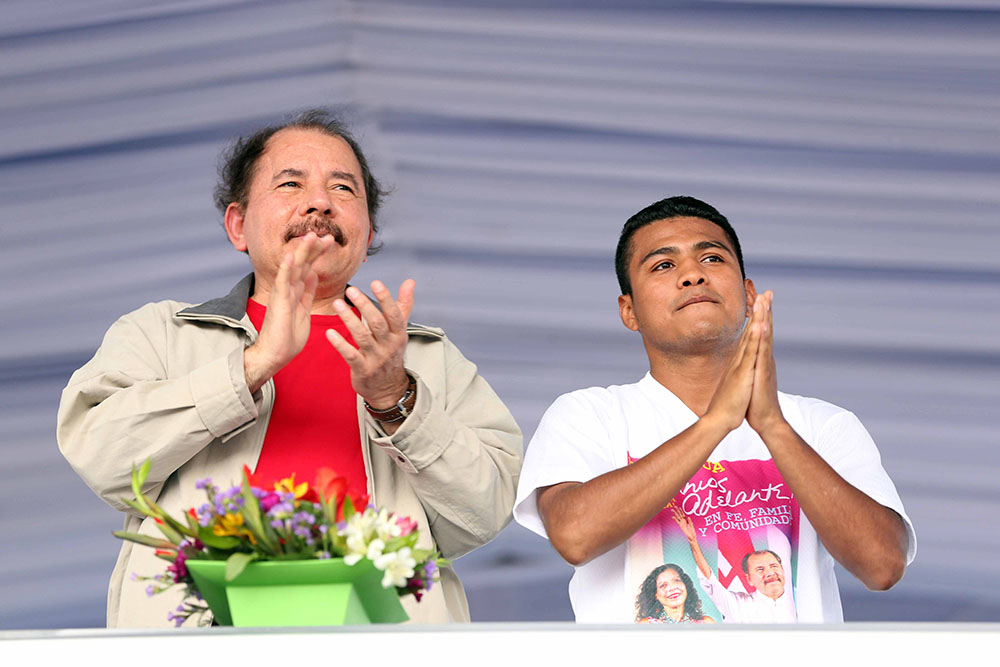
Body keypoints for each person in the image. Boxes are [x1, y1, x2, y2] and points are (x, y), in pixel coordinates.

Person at [57, 109, 523, 627]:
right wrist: (254, 365)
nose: (320, 202)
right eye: (291, 183)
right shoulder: (162, 334)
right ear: (238, 225)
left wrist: (395, 397)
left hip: (383, 645)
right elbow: (102, 458)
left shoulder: (428, 358)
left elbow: (485, 513)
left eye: (343, 188)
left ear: (367, 235)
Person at [513, 196, 915, 623]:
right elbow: (574, 536)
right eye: (663, 265)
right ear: (629, 311)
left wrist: (773, 427)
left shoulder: (822, 425)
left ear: (748, 294)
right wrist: (717, 422)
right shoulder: (589, 415)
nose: (693, 274)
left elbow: (882, 566)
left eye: (712, 258)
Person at [674, 507, 795, 622]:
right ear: (749, 579)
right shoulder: (739, 605)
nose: (769, 573)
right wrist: (693, 541)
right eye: (760, 569)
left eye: (774, 566)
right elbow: (710, 579)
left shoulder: (799, 597)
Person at [635, 563, 715, 624]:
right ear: (655, 595)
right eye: (663, 585)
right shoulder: (647, 625)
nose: (672, 588)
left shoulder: (706, 623)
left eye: (677, 580)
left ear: (686, 586)